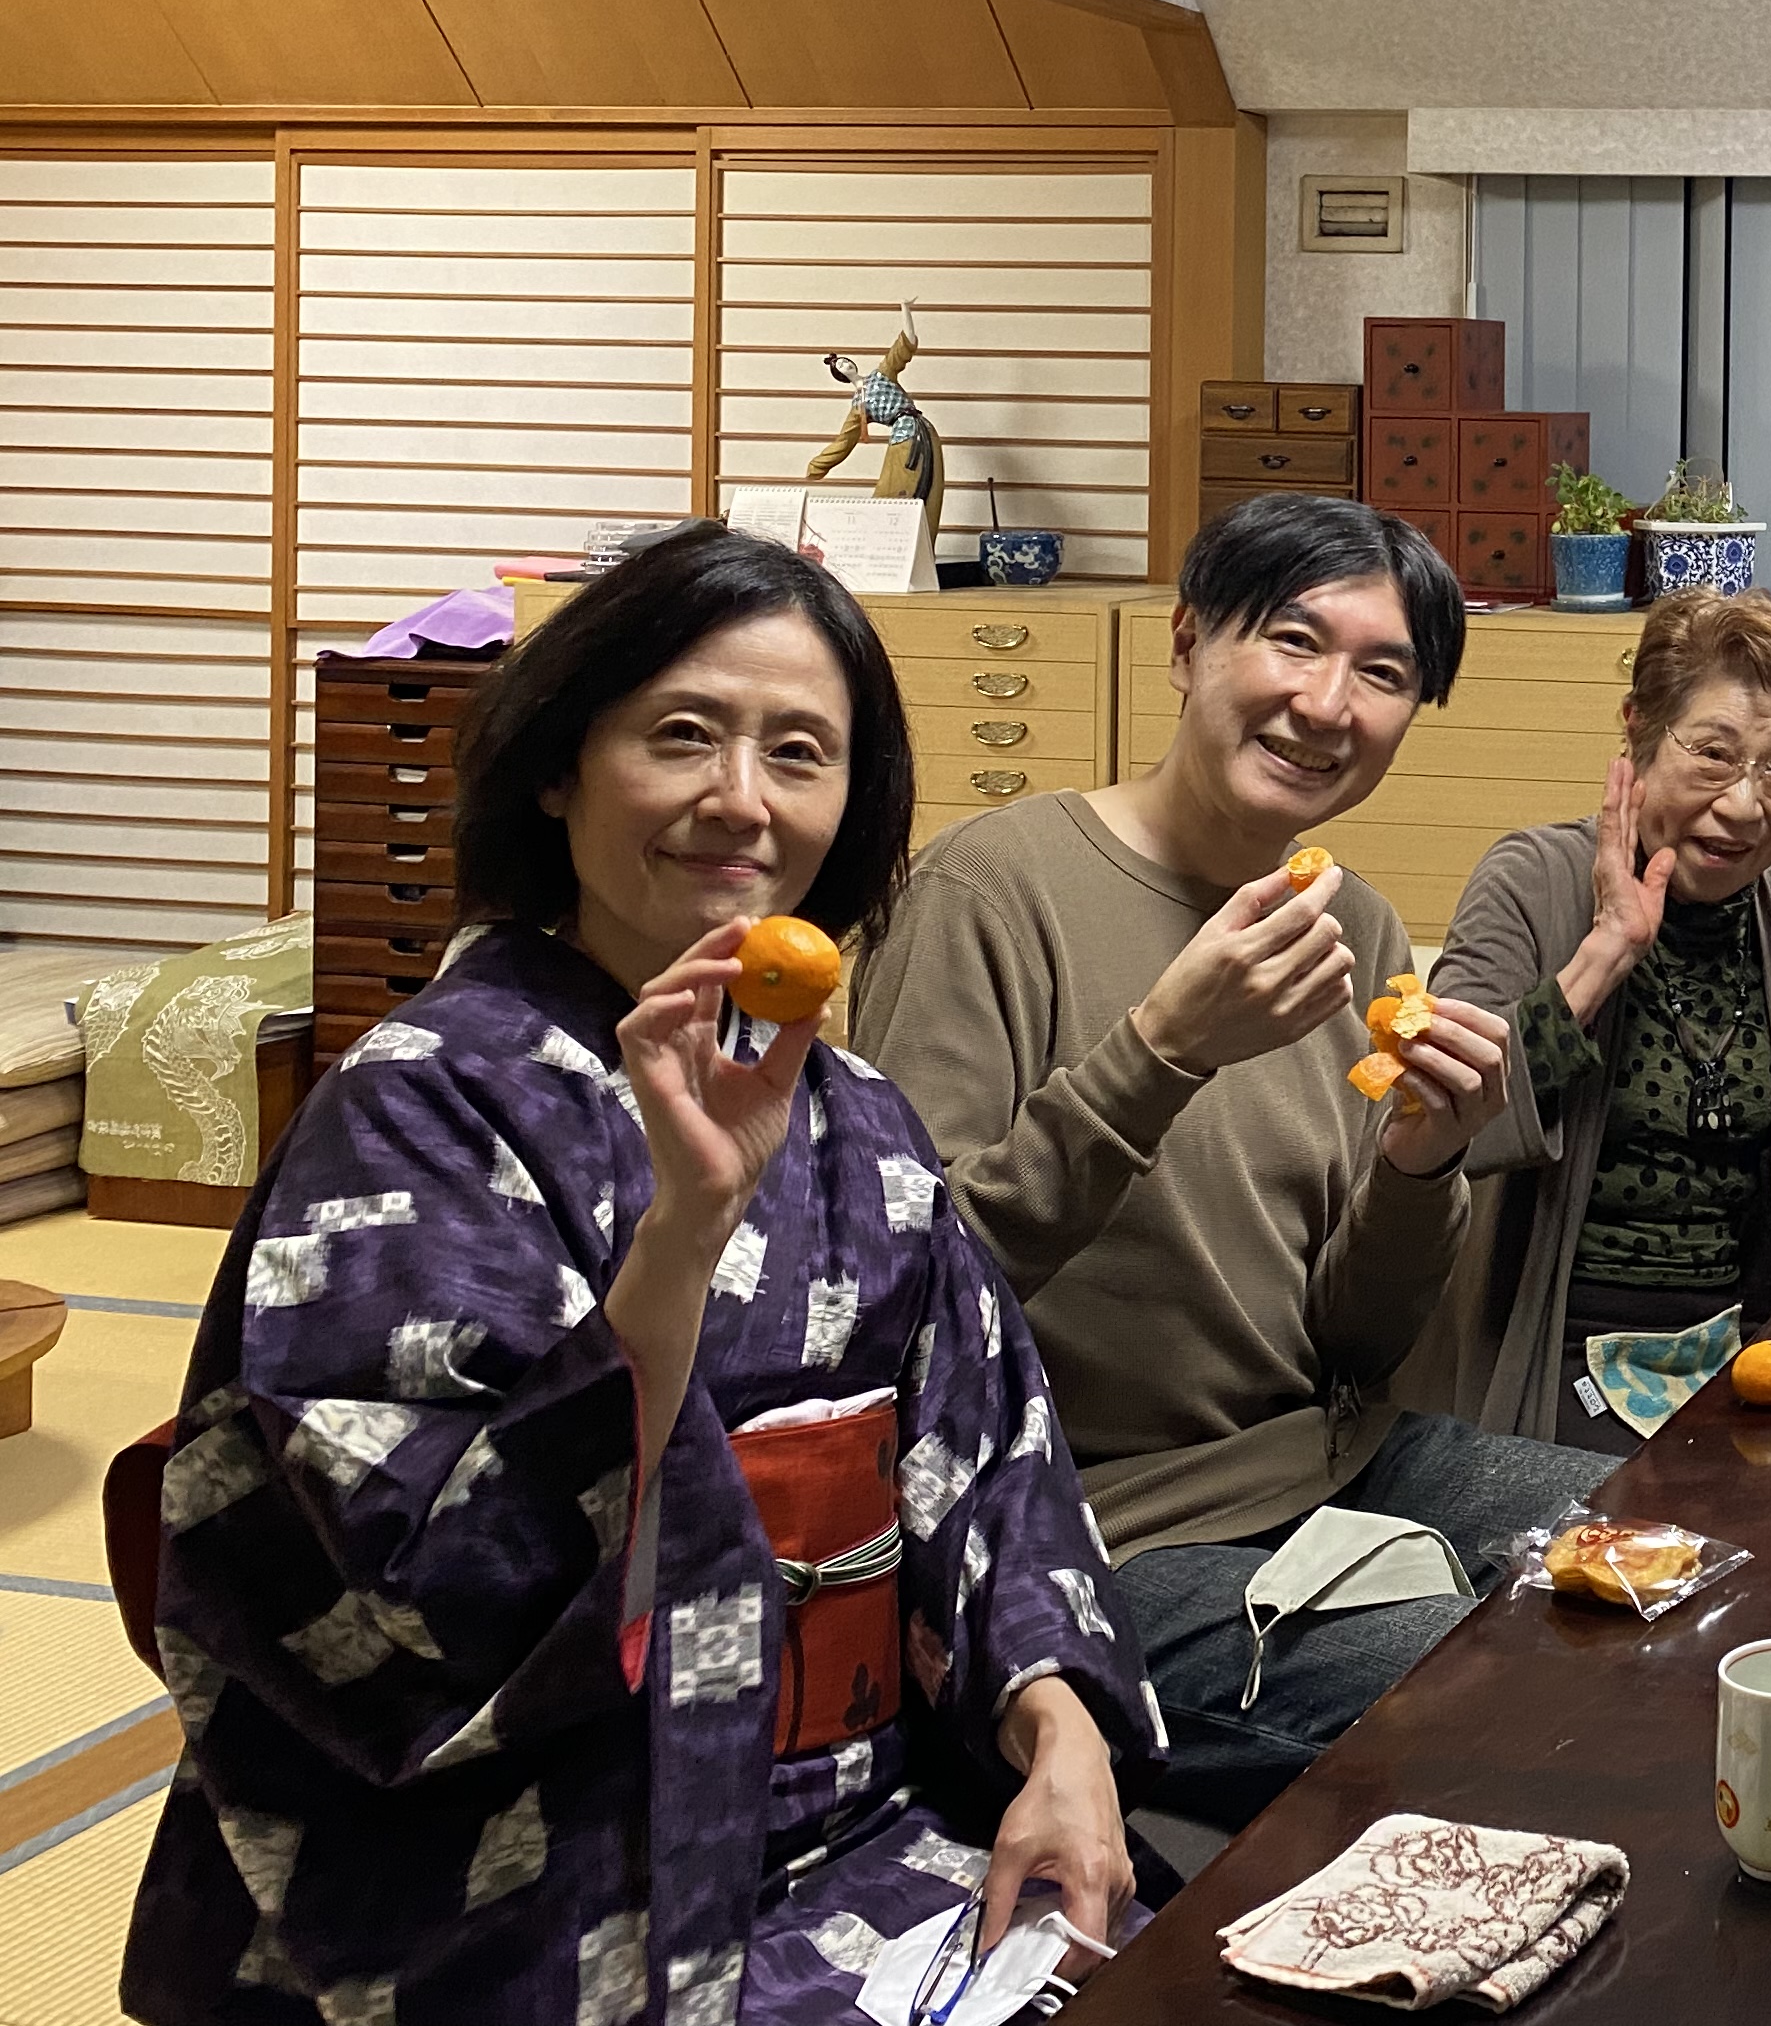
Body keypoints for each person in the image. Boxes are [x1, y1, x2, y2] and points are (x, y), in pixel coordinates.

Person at [127, 524, 1154, 2026]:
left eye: (799, 753)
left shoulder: (859, 1116)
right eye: (681, 735)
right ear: (560, 769)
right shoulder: (419, 1106)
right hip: (564, 1880)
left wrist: (1062, 1734)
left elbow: (991, 1457)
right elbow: (407, 1589)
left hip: (870, 1827)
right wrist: (683, 1233)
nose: (741, 798)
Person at [857, 497, 1601, 1832]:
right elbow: (903, 1297)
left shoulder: (1351, 926)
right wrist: (1162, 1051)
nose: (1328, 704)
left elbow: (1355, 1343)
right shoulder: (990, 891)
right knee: (1505, 1694)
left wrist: (1420, 1168)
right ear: (1189, 642)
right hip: (1092, 1527)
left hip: (1334, 1460)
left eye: (1384, 673)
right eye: (1294, 642)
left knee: (1672, 1565)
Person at [1413, 592, 1771, 1448]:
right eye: (1715, 755)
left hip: (1752, 1351)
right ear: (1640, 732)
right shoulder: (1529, 881)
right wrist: (1602, 957)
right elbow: (1442, 1126)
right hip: (1554, 1356)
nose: (1743, 806)